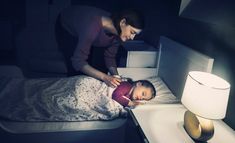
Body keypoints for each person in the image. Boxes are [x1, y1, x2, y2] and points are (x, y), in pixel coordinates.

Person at [55, 5, 145, 87]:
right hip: (66, 25)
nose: (133, 38)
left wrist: (116, 76)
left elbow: (110, 57)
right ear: (123, 22)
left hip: (86, 28)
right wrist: (105, 77)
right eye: (132, 32)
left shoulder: (119, 34)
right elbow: (78, 61)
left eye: (135, 34)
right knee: (75, 69)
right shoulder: (92, 27)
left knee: (89, 66)